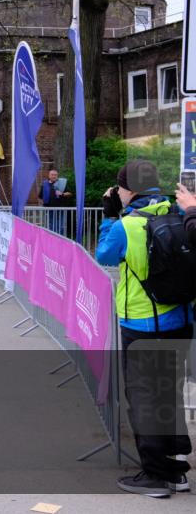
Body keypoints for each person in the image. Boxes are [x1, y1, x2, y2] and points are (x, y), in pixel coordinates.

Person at [96, 160, 193, 497]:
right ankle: (176, 471)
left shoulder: (128, 224)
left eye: (119, 189)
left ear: (129, 190)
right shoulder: (181, 213)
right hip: (180, 320)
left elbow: (104, 255)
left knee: (144, 399)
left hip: (141, 322)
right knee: (169, 394)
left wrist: (110, 216)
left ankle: (155, 476)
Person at [38, 167, 68, 234]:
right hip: (49, 209)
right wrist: (43, 203)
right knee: (51, 226)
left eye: (55, 175)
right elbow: (40, 196)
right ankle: (52, 241)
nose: (54, 176)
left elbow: (70, 193)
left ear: (57, 175)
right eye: (52, 174)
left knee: (61, 226)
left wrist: (62, 194)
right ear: (49, 175)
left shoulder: (62, 183)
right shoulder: (45, 184)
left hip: (61, 208)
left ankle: (60, 241)